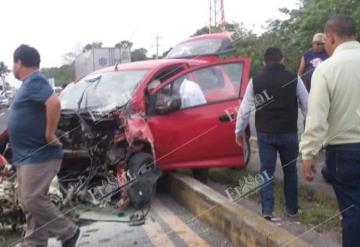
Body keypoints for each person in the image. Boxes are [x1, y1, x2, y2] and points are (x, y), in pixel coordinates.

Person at [7, 45, 79, 247]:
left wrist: (49, 134)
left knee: (32, 199)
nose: (13, 67)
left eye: (14, 62)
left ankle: (68, 231)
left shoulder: (35, 80)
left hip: (39, 155)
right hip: (27, 156)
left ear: (20, 63)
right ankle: (35, 242)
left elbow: (54, 103)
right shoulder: (29, 84)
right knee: (31, 203)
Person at [300, 16, 360, 247]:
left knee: (353, 213)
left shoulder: (326, 69)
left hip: (344, 153)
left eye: (325, 41)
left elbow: (316, 118)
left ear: (331, 37)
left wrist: (308, 153)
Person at [235, 48, 308, 220]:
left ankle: (267, 210)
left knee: (266, 171)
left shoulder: (256, 81)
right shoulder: (294, 78)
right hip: (289, 132)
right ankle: (292, 209)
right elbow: (308, 105)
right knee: (290, 171)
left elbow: (245, 110)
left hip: (265, 133)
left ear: (264, 62)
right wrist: (309, 131)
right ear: (282, 60)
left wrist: (239, 131)